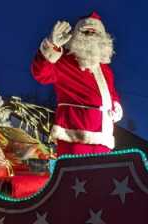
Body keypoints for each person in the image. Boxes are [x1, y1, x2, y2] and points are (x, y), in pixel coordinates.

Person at [31, 12, 123, 156]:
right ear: (76, 36)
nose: (90, 37)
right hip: (74, 135)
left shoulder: (105, 69)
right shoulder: (64, 61)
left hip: (103, 135)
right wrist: (51, 46)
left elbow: (111, 93)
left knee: (101, 177)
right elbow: (41, 74)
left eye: (95, 34)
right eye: (86, 32)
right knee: (74, 175)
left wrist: (116, 104)